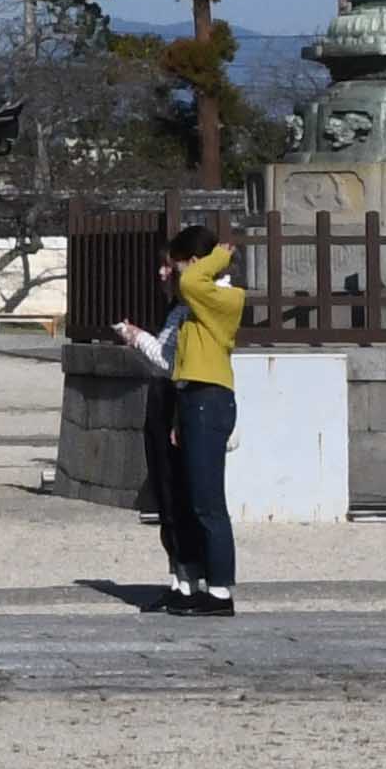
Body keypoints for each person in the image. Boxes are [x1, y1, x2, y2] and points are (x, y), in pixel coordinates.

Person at [143, 218, 246, 616]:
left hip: (210, 397)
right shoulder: (195, 301)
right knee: (191, 498)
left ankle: (220, 591)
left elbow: (190, 282)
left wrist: (218, 256)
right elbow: (180, 360)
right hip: (191, 397)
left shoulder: (224, 296)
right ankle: (199, 581)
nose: (176, 273)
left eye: (182, 262)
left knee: (208, 501)